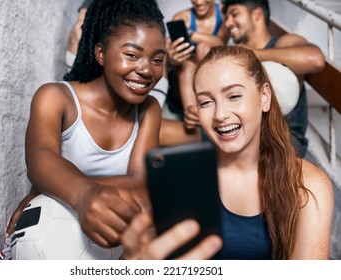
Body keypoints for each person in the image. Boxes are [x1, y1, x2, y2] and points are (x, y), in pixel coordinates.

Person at [122, 45, 334, 260]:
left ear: (264, 97)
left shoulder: (310, 184)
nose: (220, 114)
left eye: (233, 96)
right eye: (206, 102)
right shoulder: (181, 182)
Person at [0, 0, 167, 259]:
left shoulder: (149, 108)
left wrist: (51, 187)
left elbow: (138, 180)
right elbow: (40, 159)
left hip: (114, 239)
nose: (146, 69)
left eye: (157, 59)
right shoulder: (55, 97)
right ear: (100, 53)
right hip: (59, 237)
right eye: (132, 55)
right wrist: (82, 194)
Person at [179, 0, 325, 156]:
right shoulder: (234, 56)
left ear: (257, 15)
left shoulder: (283, 43)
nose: (228, 23)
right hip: (236, 131)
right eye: (226, 17)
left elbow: (315, 60)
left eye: (234, 14)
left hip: (282, 141)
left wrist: (253, 53)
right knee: (166, 132)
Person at [165, 0, 229, 122]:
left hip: (211, 72)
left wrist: (189, 34)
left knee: (203, 48)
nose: (198, 2)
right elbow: (172, 60)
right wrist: (173, 59)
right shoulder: (181, 17)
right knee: (187, 66)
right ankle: (193, 116)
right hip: (183, 79)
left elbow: (220, 43)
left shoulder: (223, 12)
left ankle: (210, 105)